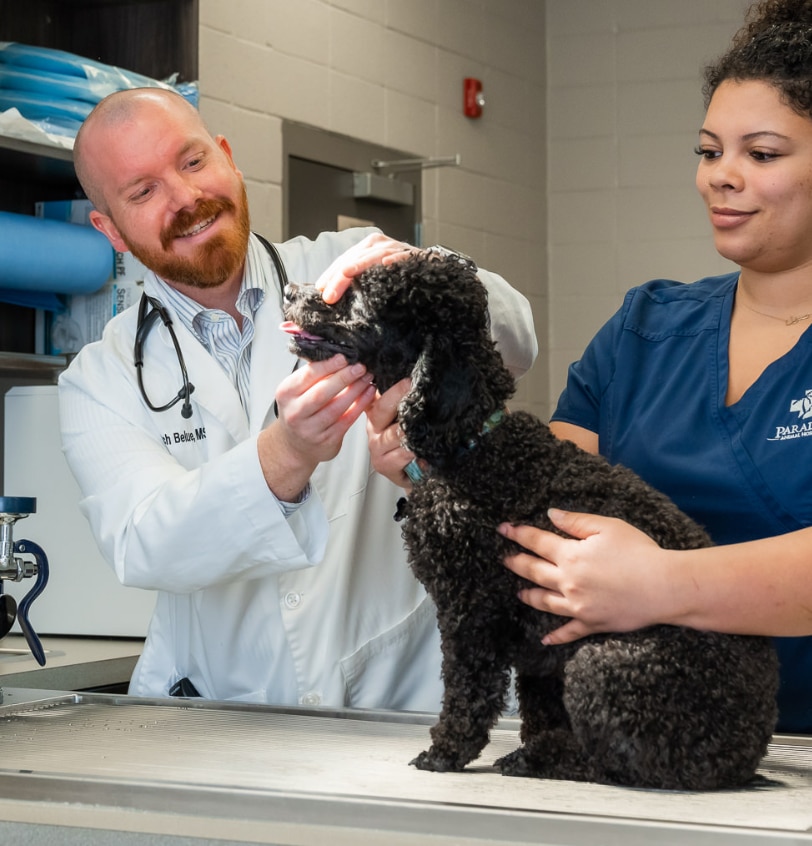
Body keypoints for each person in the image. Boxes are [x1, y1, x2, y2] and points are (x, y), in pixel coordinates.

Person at [59, 87, 537, 708]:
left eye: (194, 161)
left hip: (402, 694)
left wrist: (427, 278)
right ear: (110, 230)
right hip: (222, 717)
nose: (186, 197)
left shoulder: (351, 266)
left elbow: (518, 338)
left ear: (228, 157)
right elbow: (142, 541)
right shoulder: (101, 378)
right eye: (143, 191)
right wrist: (285, 453)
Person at [501, 0, 812, 734]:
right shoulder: (645, 331)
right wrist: (441, 452)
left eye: (760, 155)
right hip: (643, 741)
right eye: (709, 152)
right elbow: (548, 503)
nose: (720, 178)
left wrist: (663, 585)